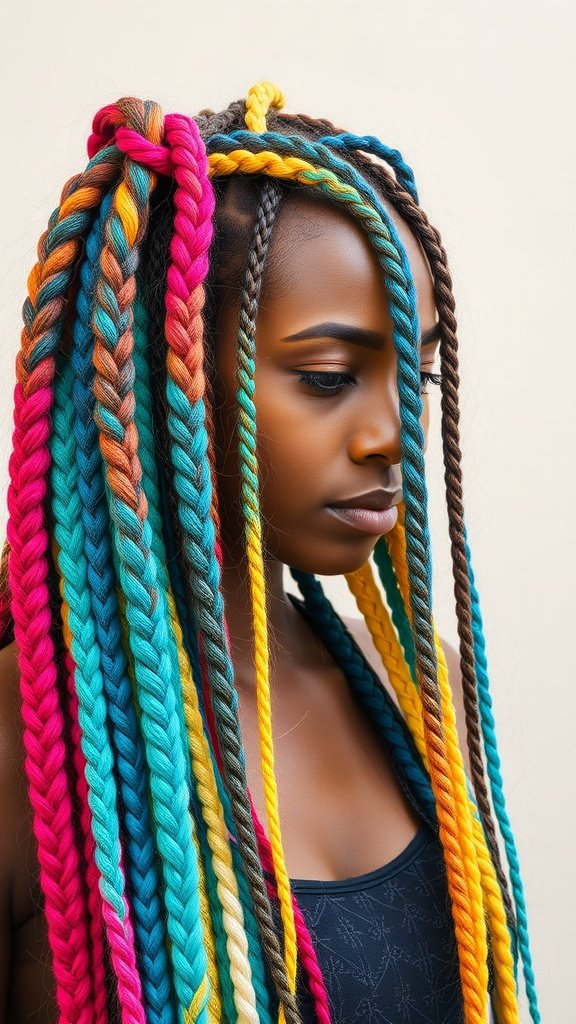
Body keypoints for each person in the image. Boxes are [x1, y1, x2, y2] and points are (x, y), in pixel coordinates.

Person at [0, 81, 539, 1024]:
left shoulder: (427, 701)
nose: (392, 434)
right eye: (330, 377)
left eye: (416, 373)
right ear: (172, 382)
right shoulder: (25, 747)